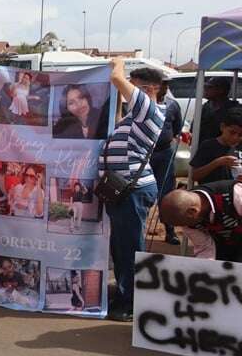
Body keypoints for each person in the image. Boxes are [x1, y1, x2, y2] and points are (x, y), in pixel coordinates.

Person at [98, 59, 166, 322]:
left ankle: (131, 303)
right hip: (123, 191)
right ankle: (125, 293)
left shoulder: (149, 110)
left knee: (129, 248)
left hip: (132, 191)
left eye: (134, 87)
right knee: (121, 246)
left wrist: (118, 62)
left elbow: (117, 78)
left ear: (149, 90)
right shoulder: (135, 116)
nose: (129, 93)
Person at [161, 181, 242, 261]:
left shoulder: (235, 195)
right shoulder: (186, 216)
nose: (184, 227)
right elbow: (205, 248)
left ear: (192, 211)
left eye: (182, 223)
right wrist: (204, 268)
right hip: (225, 246)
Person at [150, 80, 184, 244]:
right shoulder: (141, 104)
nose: (162, 87)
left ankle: (170, 232)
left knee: (167, 192)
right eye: (158, 84)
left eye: (165, 85)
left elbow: (177, 128)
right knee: (143, 192)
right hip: (144, 154)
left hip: (164, 153)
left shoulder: (173, 105)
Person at [189, 108, 242, 184]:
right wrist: (217, 163)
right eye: (232, 132)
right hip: (213, 191)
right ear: (222, 127)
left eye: (240, 135)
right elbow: (195, 176)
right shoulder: (209, 146)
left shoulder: (239, 147)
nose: (235, 138)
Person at [198, 76, 239, 144]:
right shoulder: (205, 107)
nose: (205, 89)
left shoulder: (234, 109)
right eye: (205, 86)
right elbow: (194, 129)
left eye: (209, 87)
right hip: (205, 148)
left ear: (221, 90)